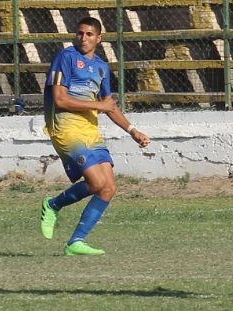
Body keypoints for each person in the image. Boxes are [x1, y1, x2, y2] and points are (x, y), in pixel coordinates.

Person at [39, 17, 150, 255]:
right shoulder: (66, 58)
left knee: (108, 188)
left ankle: (75, 242)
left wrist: (132, 131)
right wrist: (99, 106)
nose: (83, 38)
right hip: (65, 128)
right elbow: (60, 99)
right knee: (97, 182)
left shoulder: (101, 67)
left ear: (99, 39)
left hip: (90, 130)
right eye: (80, 33)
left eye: (89, 34)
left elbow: (108, 105)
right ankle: (52, 205)